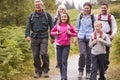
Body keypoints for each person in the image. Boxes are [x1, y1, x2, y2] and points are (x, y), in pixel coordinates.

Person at [25, 0, 54, 78]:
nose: (38, 6)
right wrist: (27, 35)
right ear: (34, 6)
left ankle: (45, 70)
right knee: (35, 55)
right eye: (36, 5)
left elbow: (52, 27)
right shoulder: (31, 16)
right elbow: (28, 26)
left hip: (44, 37)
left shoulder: (47, 15)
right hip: (34, 37)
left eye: (39, 4)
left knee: (44, 53)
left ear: (42, 5)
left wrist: (52, 37)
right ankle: (38, 71)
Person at [51, 12, 77, 80]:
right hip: (58, 45)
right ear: (60, 18)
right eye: (62, 17)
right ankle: (63, 76)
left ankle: (64, 77)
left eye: (65, 17)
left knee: (64, 61)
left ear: (67, 18)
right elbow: (51, 32)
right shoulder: (57, 25)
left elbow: (75, 33)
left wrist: (70, 33)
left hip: (66, 46)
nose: (63, 18)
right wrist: (56, 33)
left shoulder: (69, 25)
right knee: (59, 62)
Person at [75, 2, 96, 79]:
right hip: (81, 38)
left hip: (90, 38)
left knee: (89, 55)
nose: (86, 9)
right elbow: (77, 27)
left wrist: (95, 38)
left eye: (88, 8)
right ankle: (80, 71)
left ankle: (88, 71)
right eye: (85, 8)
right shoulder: (80, 16)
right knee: (82, 54)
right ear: (83, 8)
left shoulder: (93, 17)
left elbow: (96, 28)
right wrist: (75, 37)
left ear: (90, 9)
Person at [97, 3, 117, 72]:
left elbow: (114, 27)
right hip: (99, 36)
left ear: (107, 8)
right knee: (99, 52)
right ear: (100, 8)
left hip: (108, 37)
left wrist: (113, 34)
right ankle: (99, 68)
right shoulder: (98, 17)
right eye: (102, 8)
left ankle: (104, 66)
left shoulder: (111, 17)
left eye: (104, 8)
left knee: (106, 52)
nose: (103, 9)